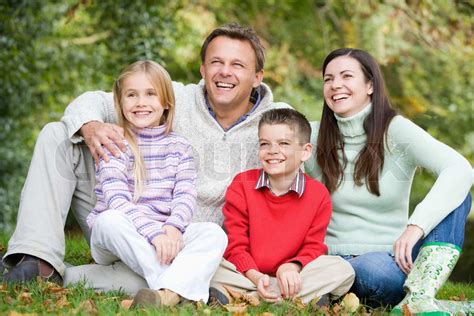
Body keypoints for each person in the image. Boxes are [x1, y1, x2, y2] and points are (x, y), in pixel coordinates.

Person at [2, 23, 291, 291]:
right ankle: (36, 256)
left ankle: (63, 277)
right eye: (217, 62)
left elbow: (314, 142)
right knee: (57, 135)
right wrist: (91, 128)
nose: (224, 72)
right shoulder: (171, 97)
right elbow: (92, 101)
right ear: (203, 69)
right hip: (122, 218)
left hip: (183, 239)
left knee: (186, 255)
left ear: (257, 77)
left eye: (237, 65)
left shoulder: (279, 122)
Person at [304, 48, 472, 314]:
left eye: (347, 76)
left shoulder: (396, 130)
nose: (336, 85)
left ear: (370, 85)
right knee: (355, 270)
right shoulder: (311, 136)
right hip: (332, 262)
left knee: (458, 194)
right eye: (328, 79)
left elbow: (460, 169)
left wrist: (416, 225)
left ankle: (420, 294)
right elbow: (274, 125)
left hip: (387, 262)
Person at [87, 60, 226, 306]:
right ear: (120, 102)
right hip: (120, 235)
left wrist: (172, 228)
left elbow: (185, 195)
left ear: (166, 103)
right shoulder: (115, 142)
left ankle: (163, 296)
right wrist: (154, 234)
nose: (141, 102)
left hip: (164, 233)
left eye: (150, 94)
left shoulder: (179, 146)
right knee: (108, 219)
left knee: (212, 233)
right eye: (132, 95)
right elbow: (116, 200)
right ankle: (171, 286)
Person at [209, 108, 354, 305]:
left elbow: (313, 246)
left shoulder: (318, 194)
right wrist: (256, 276)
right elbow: (236, 244)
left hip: (291, 276)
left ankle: (243, 296)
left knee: (342, 269)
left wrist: (292, 267)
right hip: (247, 274)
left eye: (284, 143)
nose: (272, 151)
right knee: (211, 264)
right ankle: (294, 297)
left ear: (305, 151)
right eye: (264, 144)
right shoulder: (242, 185)